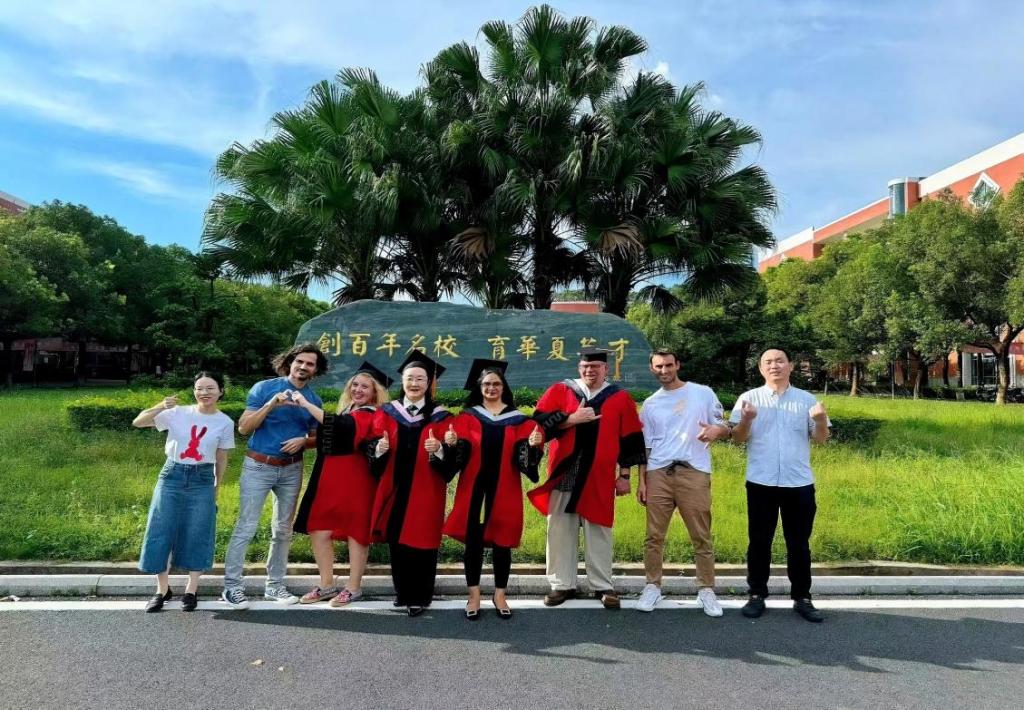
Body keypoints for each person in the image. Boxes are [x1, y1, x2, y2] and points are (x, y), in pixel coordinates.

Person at [528, 348, 646, 609]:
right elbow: (540, 423)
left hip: (599, 475)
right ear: (579, 368)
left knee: (599, 529)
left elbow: (630, 438)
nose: (590, 370)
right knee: (559, 530)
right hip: (564, 472)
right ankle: (561, 584)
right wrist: (571, 419)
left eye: (595, 366)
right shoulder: (561, 390)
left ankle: (602, 585)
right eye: (585, 366)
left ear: (606, 369)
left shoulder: (619, 397)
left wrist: (624, 475)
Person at [221, 343, 327, 609]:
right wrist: (271, 404)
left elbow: (318, 438)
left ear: (316, 370)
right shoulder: (264, 388)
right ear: (290, 362)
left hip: (292, 469)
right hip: (258, 466)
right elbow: (244, 428)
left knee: (282, 530)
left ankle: (275, 585)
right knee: (246, 526)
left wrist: (303, 441)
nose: (303, 367)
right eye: (299, 361)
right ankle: (232, 586)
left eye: (310, 364)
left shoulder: (313, 400)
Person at [729, 347, 831, 623]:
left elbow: (821, 439)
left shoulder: (806, 400)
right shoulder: (748, 398)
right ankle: (756, 594)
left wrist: (820, 421)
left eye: (780, 361)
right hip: (760, 481)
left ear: (791, 366)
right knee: (759, 541)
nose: (774, 366)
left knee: (798, 544)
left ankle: (802, 597)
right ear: (761, 368)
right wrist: (747, 420)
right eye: (768, 362)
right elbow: (737, 438)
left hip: (798, 483)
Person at [443, 359, 544, 620]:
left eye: (496, 384)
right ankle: (474, 594)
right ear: (480, 387)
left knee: (502, 541)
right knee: (473, 541)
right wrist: (452, 443)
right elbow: (459, 454)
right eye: (486, 384)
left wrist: (533, 445)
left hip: (505, 486)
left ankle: (500, 594)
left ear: (503, 386)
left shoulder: (518, 419)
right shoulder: (467, 417)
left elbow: (526, 457)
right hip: (473, 486)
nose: (491, 388)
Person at [636, 350, 730, 615]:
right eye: (658, 366)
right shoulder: (651, 404)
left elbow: (725, 426)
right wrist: (641, 481)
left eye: (668, 365)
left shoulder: (702, 393)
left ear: (677, 365)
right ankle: (652, 586)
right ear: (652, 369)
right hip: (658, 472)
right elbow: (646, 447)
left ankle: (706, 589)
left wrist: (717, 430)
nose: (664, 370)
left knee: (701, 534)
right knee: (654, 536)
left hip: (694, 471)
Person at [368, 351, 461, 617]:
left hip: (426, 487)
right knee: (397, 538)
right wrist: (378, 449)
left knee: (423, 538)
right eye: (410, 378)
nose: (414, 383)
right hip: (394, 486)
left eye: (420, 379)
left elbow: (454, 455)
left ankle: (421, 595)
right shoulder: (387, 413)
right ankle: (403, 592)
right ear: (402, 381)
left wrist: (440, 448)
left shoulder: (442, 416)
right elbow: (371, 443)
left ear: (429, 383)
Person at [132, 372, 234, 612]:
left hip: (203, 478)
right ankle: (162, 590)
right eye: (199, 388)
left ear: (220, 391)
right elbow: (139, 422)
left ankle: (191, 590)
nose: (204, 393)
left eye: (210, 388)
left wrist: (217, 487)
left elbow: (221, 458)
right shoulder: (177, 413)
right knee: (161, 528)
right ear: (194, 391)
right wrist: (161, 405)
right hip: (172, 474)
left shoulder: (225, 422)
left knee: (198, 530)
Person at [292, 362, 392, 606]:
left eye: (365, 386)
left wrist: (306, 404)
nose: (358, 389)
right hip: (329, 478)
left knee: (356, 531)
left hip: (356, 479)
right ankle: (326, 584)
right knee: (318, 527)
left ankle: (353, 587)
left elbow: (339, 426)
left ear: (375, 392)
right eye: (355, 385)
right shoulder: (348, 409)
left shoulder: (372, 414)